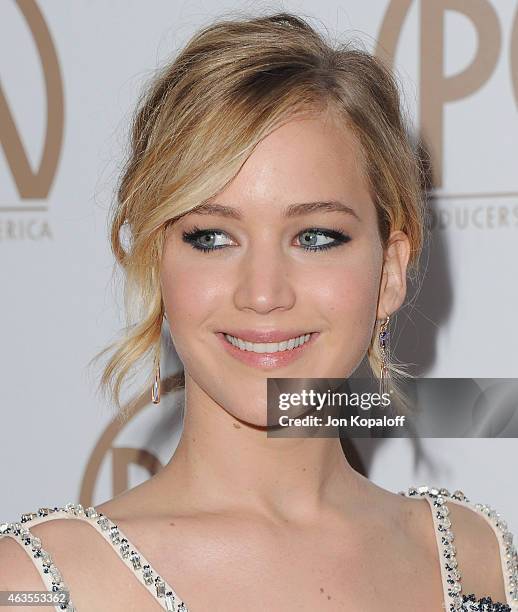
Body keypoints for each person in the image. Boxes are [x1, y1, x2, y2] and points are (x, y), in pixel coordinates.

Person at [1, 10, 516, 612]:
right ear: (156, 263)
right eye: (212, 237)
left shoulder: (474, 559)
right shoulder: (40, 584)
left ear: (391, 270)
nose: (264, 293)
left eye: (317, 237)